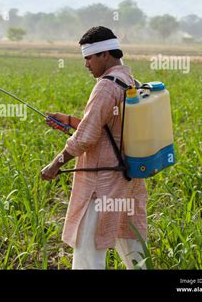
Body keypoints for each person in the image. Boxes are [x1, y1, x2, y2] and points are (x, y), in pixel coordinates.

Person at [41, 26, 148, 269]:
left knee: (88, 247)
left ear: (105, 55)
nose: (86, 64)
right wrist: (68, 121)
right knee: (130, 240)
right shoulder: (130, 81)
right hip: (127, 176)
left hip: (102, 182)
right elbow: (107, 129)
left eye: (89, 57)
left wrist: (55, 164)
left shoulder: (106, 86)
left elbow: (87, 138)